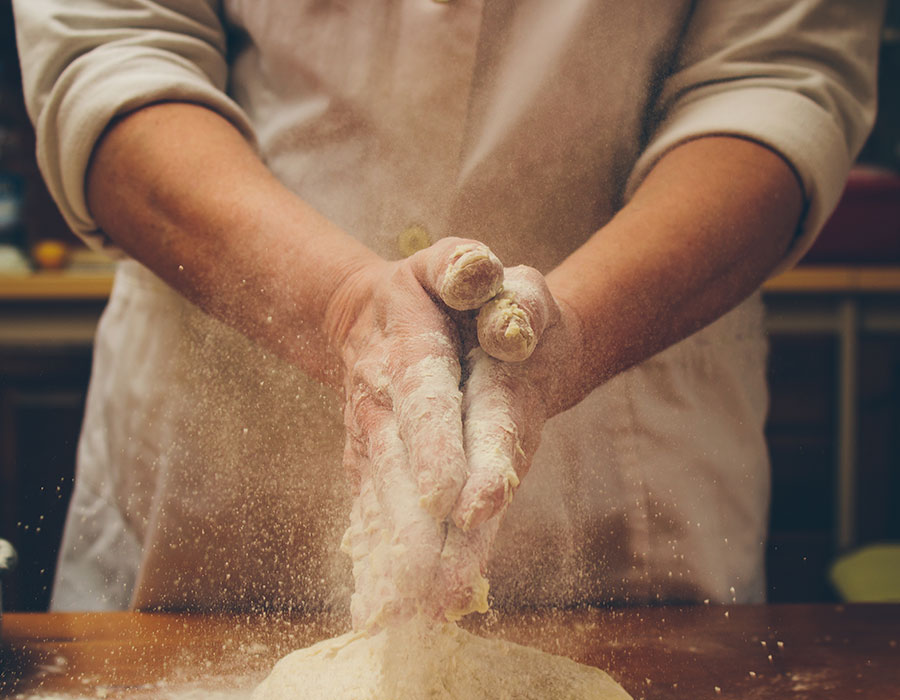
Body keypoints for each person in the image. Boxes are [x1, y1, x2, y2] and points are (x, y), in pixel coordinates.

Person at [12, 1, 883, 617]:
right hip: (220, 463)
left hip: (629, 483)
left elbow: (776, 80)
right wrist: (339, 303)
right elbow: (112, 53)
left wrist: (574, 330)